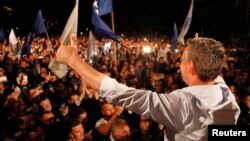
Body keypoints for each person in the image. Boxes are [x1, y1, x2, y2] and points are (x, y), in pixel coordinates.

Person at [56, 34, 240, 141]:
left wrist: (73, 60)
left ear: (191, 66)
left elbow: (120, 93)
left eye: (182, 60)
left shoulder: (184, 104)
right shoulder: (224, 92)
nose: (178, 63)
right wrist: (202, 49)